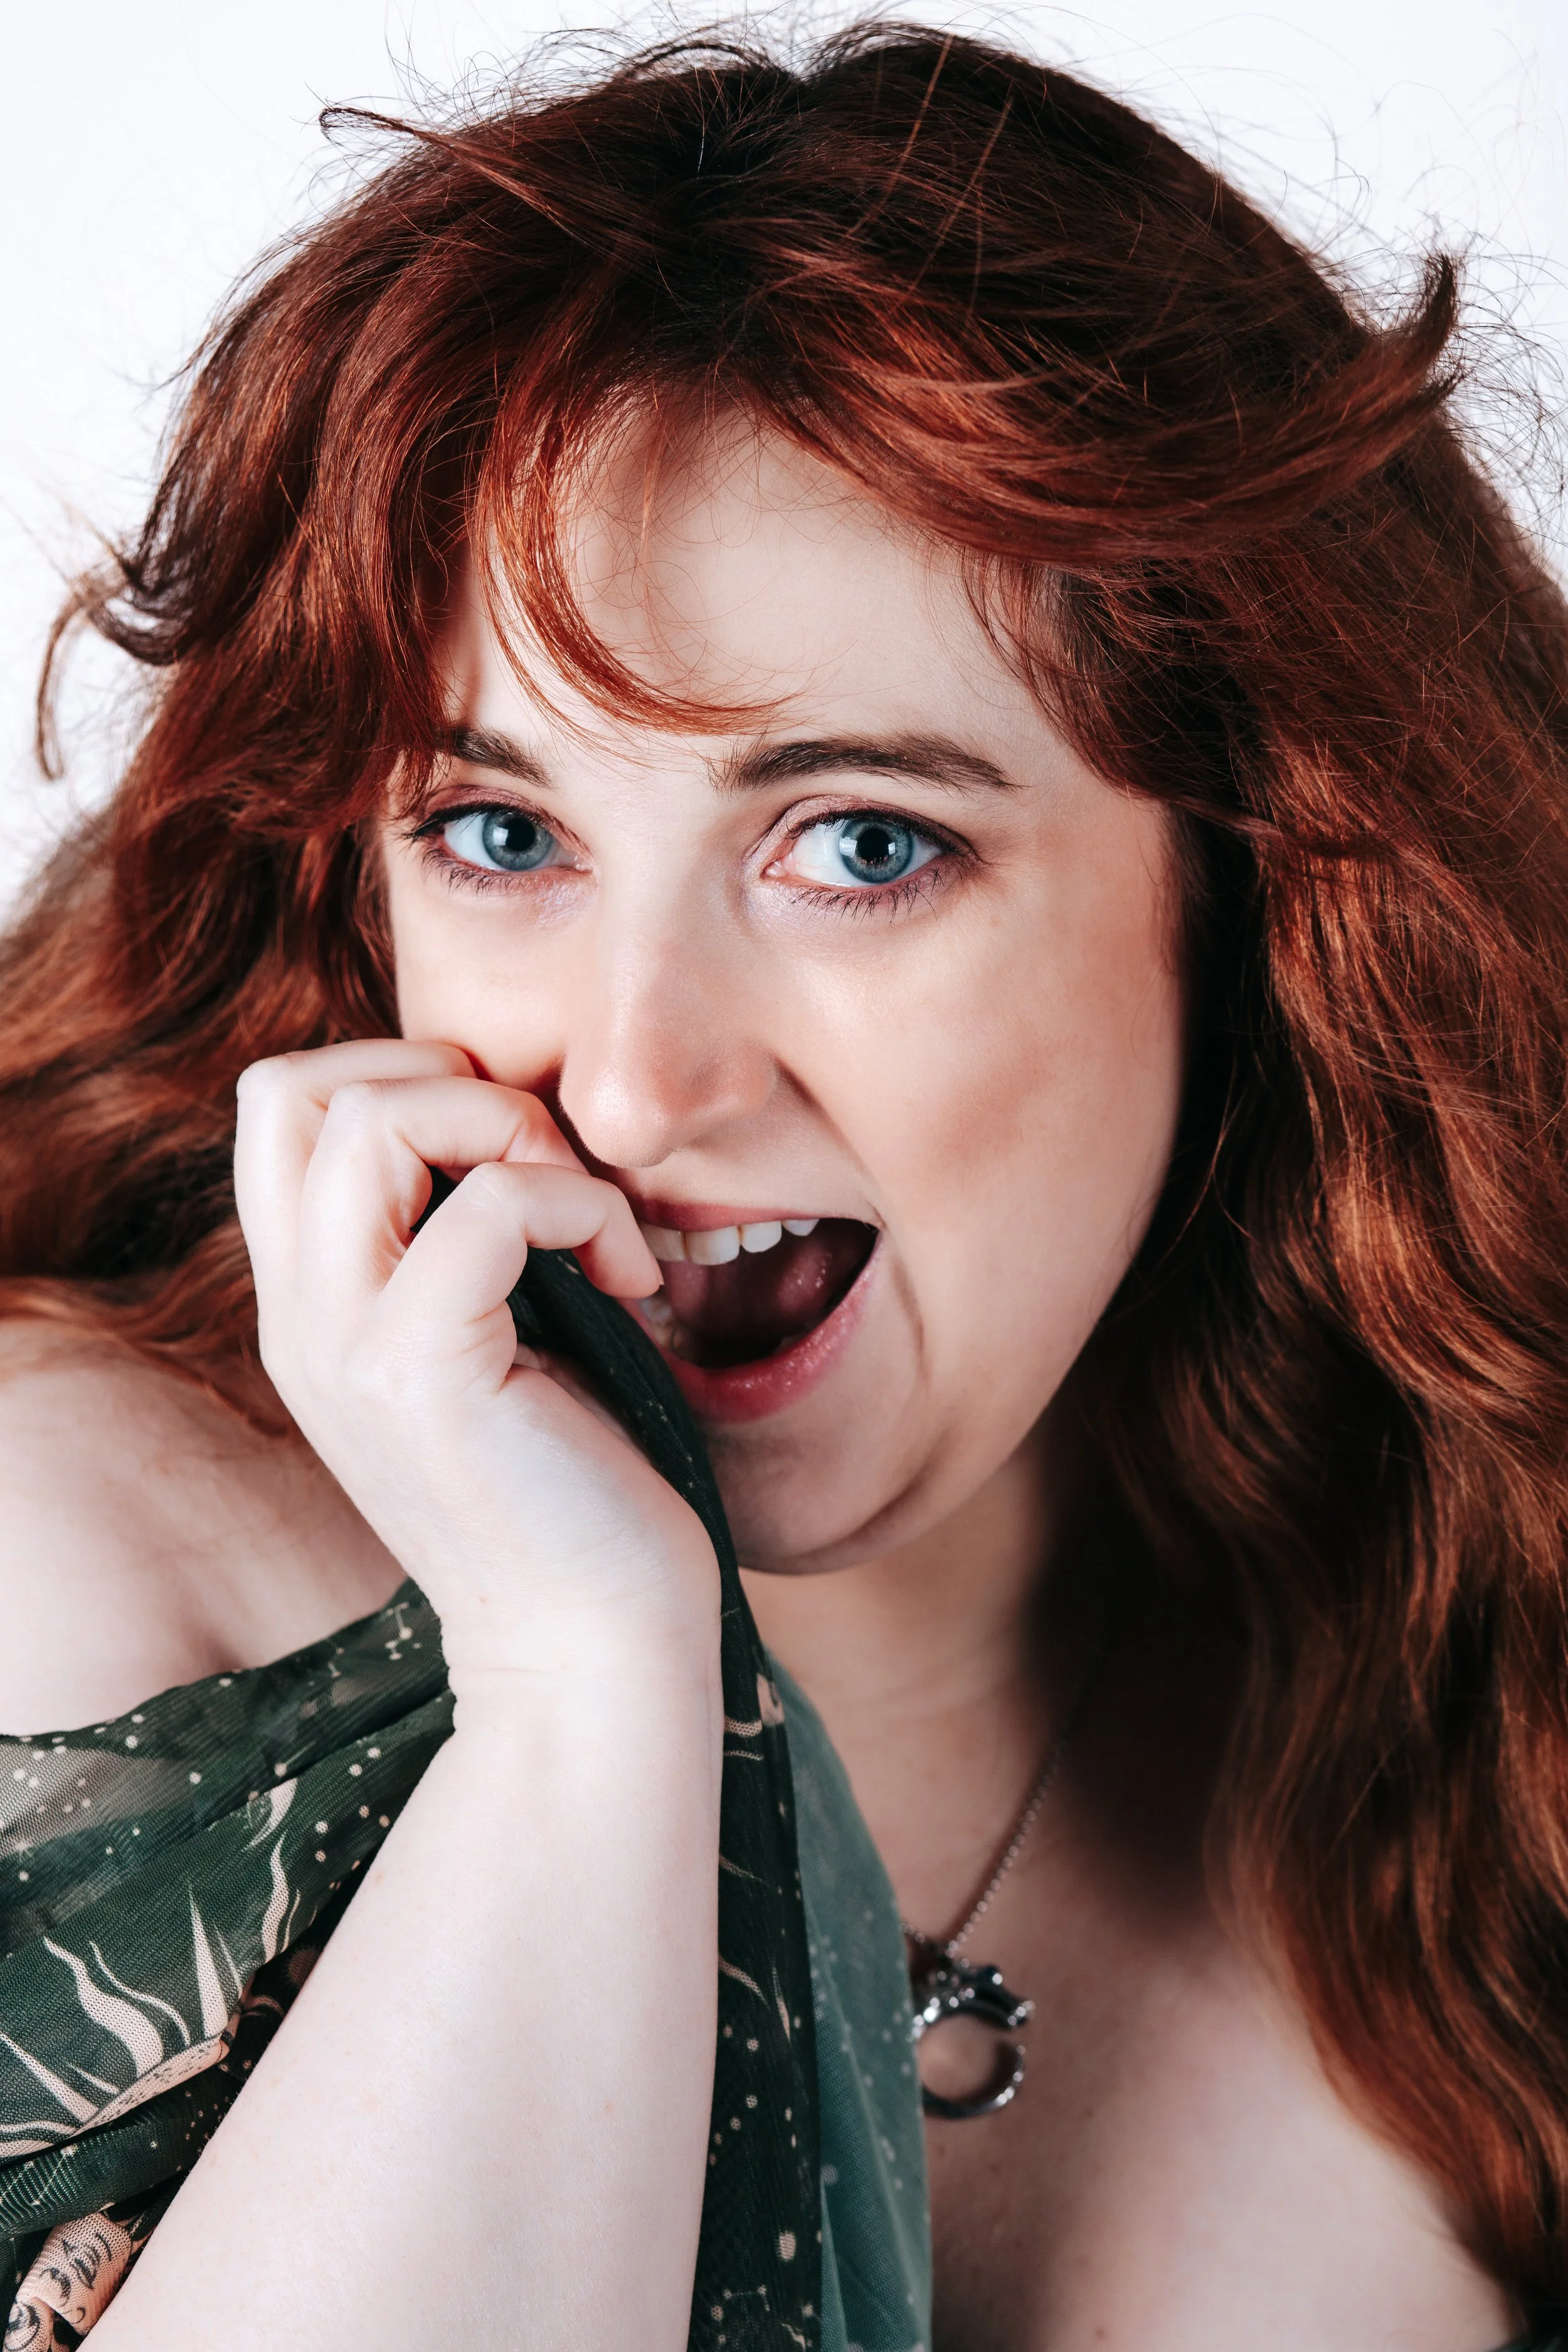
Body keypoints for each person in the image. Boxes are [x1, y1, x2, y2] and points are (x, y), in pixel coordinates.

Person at [0, 21, 1564, 2348]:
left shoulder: (1487, 1694)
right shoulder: (89, 1565)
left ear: (1262, 893)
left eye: (860, 843)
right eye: (500, 832)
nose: (628, 1076)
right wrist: (579, 1682)